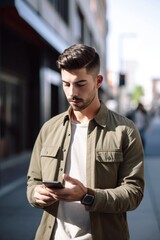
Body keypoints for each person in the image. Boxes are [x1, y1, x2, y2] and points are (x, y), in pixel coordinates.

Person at [27, 44, 144, 240]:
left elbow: (133, 193)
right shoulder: (49, 128)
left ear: (98, 81)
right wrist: (36, 194)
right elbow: (33, 182)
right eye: (66, 84)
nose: (72, 92)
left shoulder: (125, 130)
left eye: (80, 84)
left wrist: (87, 195)